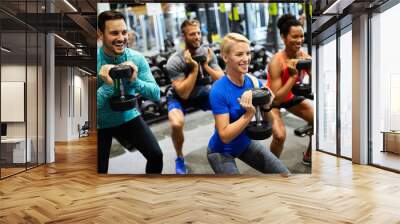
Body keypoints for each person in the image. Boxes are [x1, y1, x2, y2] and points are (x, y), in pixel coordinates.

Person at [207, 33, 290, 175]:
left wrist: (267, 106)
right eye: (239, 54)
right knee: (237, 193)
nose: (246, 59)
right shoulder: (218, 91)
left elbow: (270, 121)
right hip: (221, 150)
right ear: (225, 57)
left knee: (284, 174)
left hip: (245, 144)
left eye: (248, 53)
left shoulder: (253, 82)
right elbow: (225, 136)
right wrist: (249, 114)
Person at [97, 10, 163, 174]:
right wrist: (107, 86)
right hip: (99, 123)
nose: (121, 38)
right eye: (114, 33)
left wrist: (135, 81)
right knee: (98, 170)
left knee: (156, 155)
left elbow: (155, 94)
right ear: (100, 34)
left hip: (128, 116)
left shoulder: (137, 58)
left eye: (124, 32)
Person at [165, 19, 224, 174]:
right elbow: (183, 93)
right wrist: (194, 69)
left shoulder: (207, 53)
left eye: (198, 33)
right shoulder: (175, 61)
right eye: (192, 34)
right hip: (179, 97)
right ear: (184, 36)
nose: (197, 37)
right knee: (176, 124)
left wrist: (205, 65)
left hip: (202, 94)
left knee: (228, 106)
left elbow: (222, 79)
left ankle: (218, 146)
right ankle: (179, 158)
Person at [266, 14, 313, 166]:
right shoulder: (276, 62)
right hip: (273, 100)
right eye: (294, 36)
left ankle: (309, 155)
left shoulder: (305, 57)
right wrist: (293, 77)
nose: (299, 41)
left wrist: (312, 71)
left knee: (320, 122)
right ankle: (270, 167)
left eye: (301, 36)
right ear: (283, 37)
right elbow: (276, 99)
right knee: (279, 136)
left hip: (291, 97)